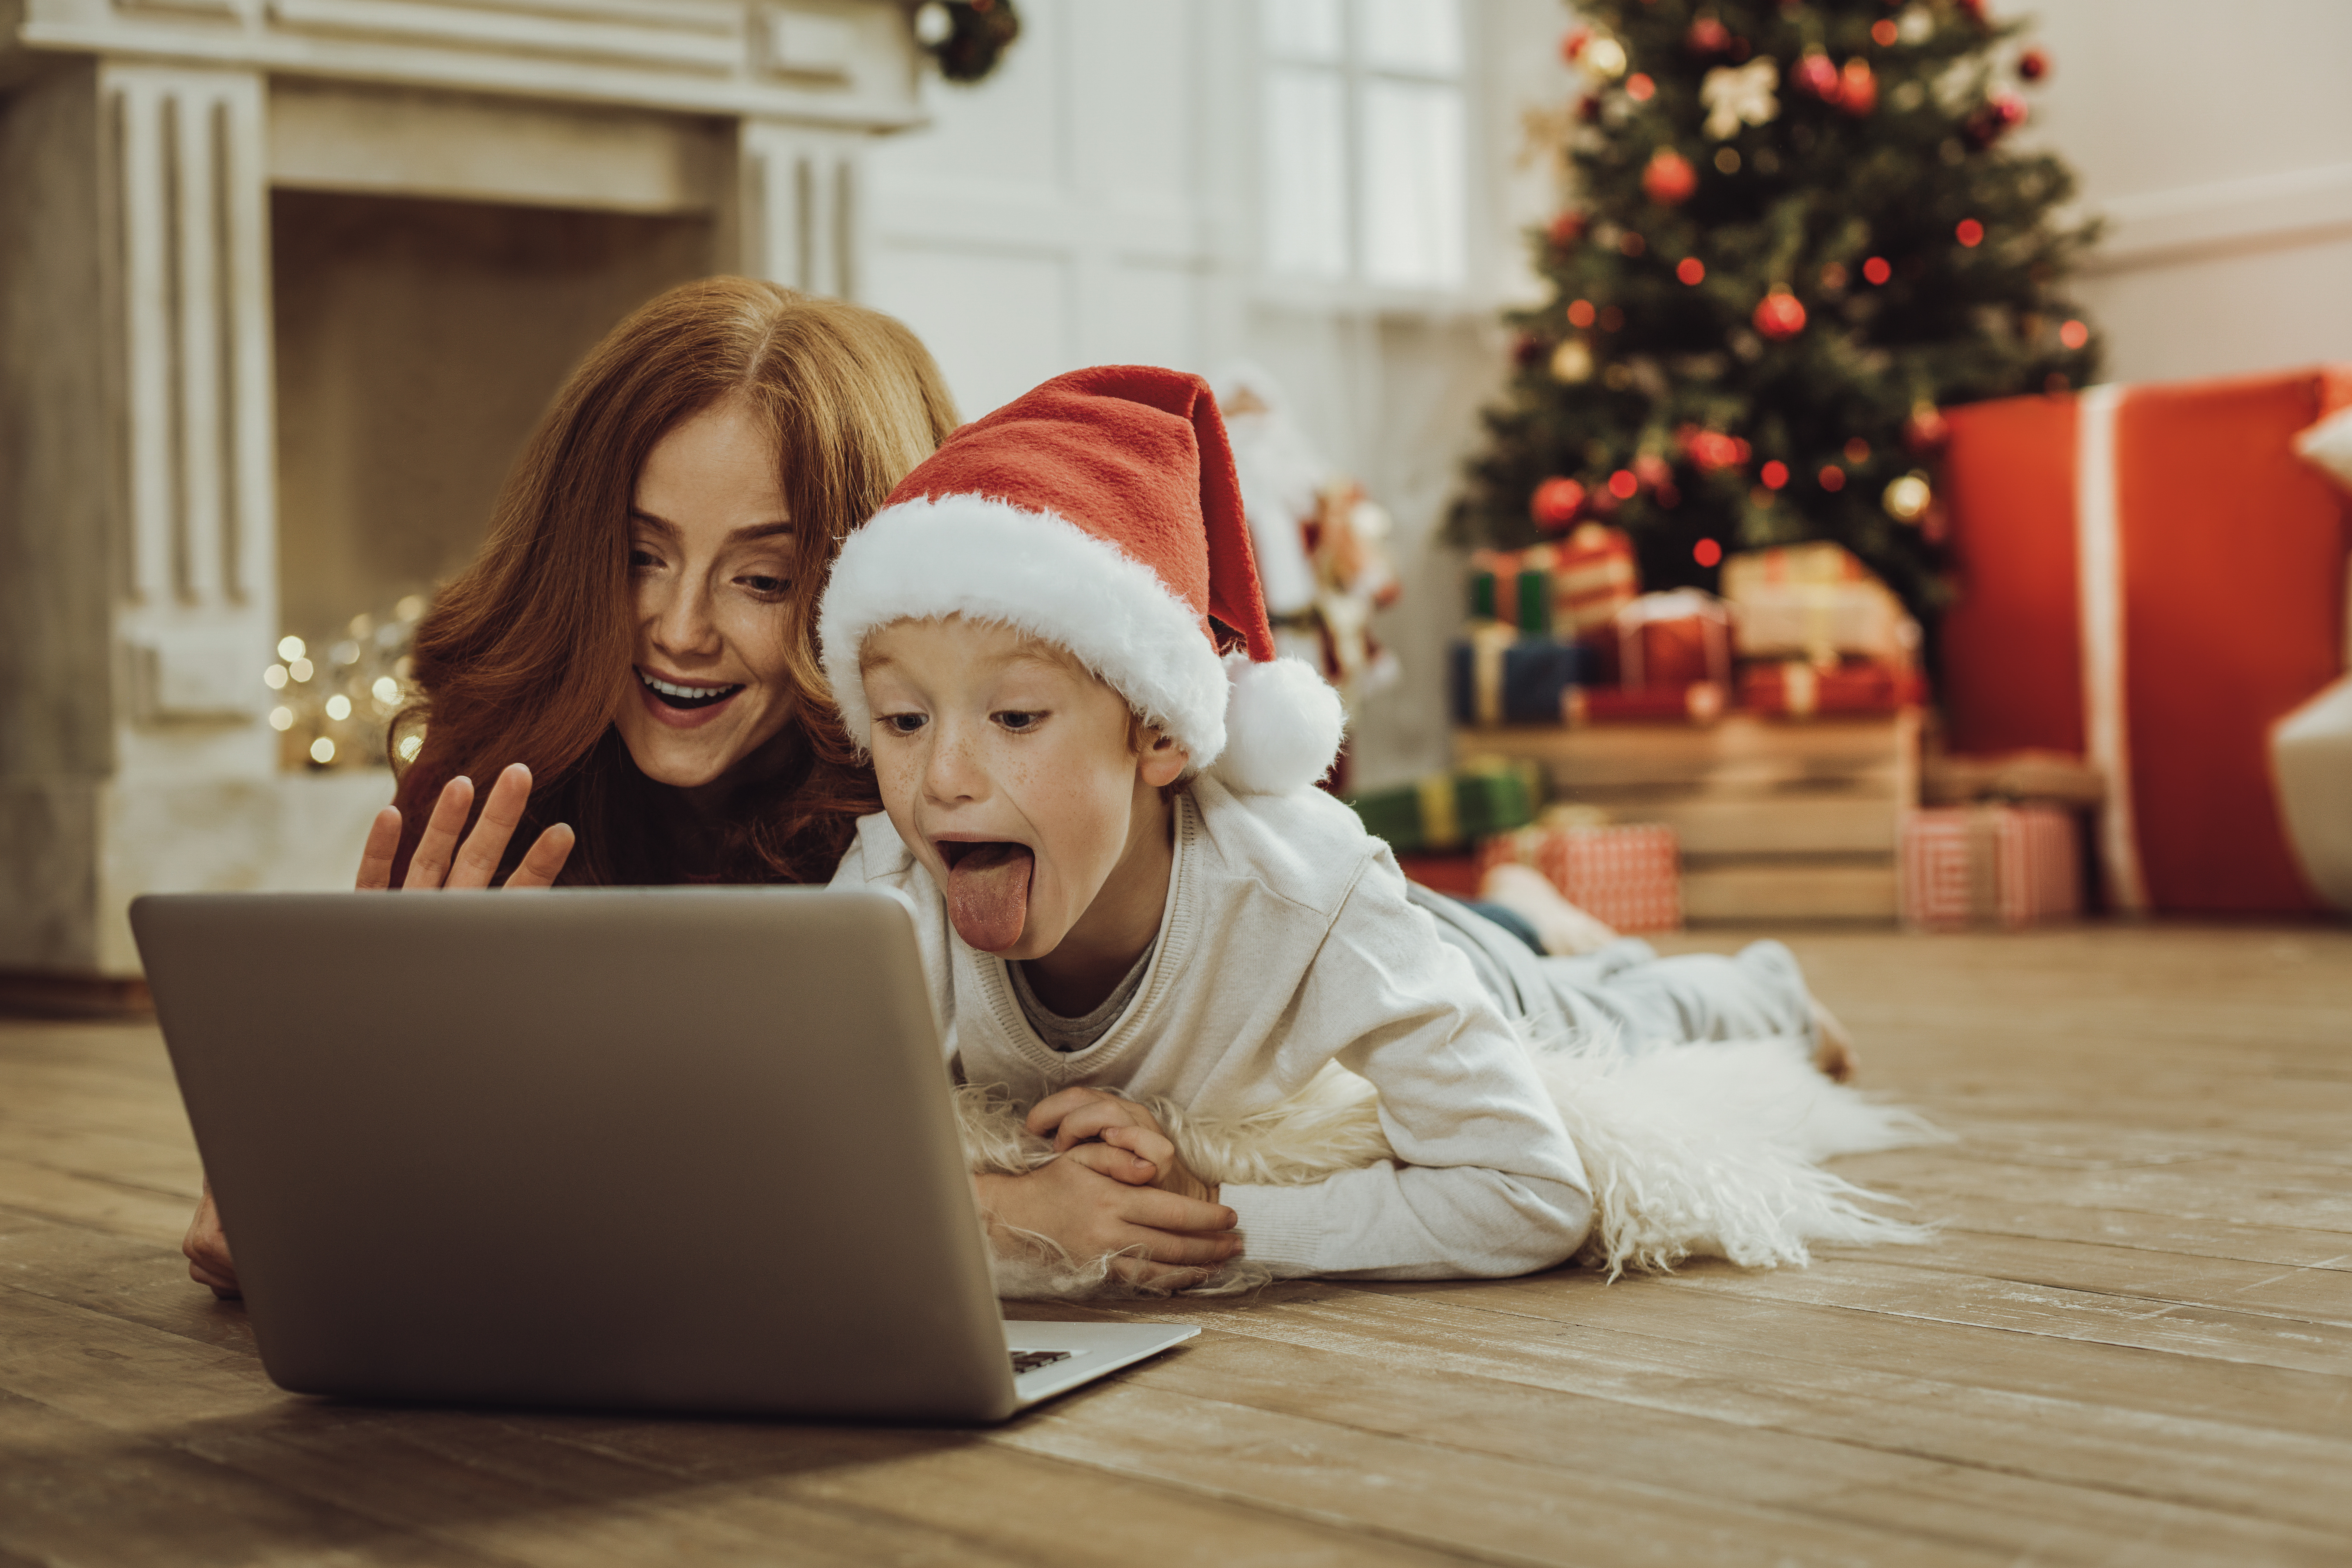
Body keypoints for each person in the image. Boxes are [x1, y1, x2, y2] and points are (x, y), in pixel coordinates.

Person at [819, 365, 1900, 1294]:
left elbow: (1531, 1193)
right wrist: (1005, 1212)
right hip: (1381, 918)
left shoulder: (1309, 897)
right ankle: (1527, 909)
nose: (943, 779)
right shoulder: (890, 898)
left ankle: (1758, 983)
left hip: (1433, 944)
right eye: (904, 721)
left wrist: (1221, 1212)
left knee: (1612, 1015)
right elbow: (788, 1165)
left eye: (1014, 717)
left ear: (1157, 736)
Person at [182, 279, 960, 1296]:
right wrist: (325, 1117)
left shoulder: (937, 795)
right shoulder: (502, 767)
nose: (681, 628)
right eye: (640, 557)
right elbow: (275, 1207)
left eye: (762, 580)